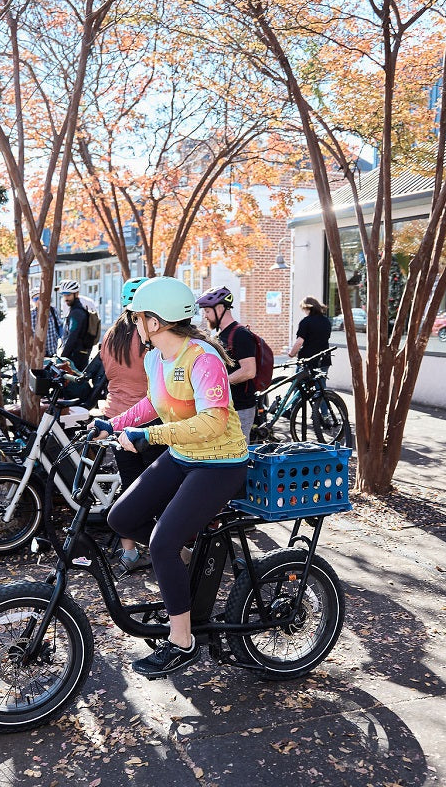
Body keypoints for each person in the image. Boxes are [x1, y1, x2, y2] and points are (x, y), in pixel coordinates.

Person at [92, 276, 249, 678]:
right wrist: (112, 425)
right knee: (121, 518)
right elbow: (152, 403)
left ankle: (182, 642)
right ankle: (185, 568)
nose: (133, 324)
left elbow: (213, 423)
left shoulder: (202, 358)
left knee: (162, 542)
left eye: (138, 317)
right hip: (183, 456)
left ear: (155, 322)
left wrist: (148, 437)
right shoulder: (154, 359)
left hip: (220, 463)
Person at [98, 277, 165, 571]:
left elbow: (107, 374)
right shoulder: (151, 338)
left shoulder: (110, 336)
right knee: (161, 488)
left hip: (117, 420)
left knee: (129, 489)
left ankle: (129, 553)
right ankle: (168, 545)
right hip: (149, 421)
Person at [195, 285, 258, 439]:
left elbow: (249, 371)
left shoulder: (241, 334)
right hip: (223, 406)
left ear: (221, 308)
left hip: (240, 407)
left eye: (208, 311)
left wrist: (218, 383)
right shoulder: (219, 335)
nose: (205, 316)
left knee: (240, 453)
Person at [287, 296, 332, 369]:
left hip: (307, 360)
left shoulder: (306, 322)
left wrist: (291, 354)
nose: (304, 311)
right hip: (324, 360)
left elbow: (299, 342)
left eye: (303, 309)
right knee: (320, 380)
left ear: (307, 308)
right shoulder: (326, 321)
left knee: (300, 380)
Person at [58, 279, 93, 370]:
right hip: (79, 354)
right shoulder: (76, 310)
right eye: (64, 295)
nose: (66, 298)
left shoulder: (77, 313)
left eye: (68, 295)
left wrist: (62, 357)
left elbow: (72, 337)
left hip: (76, 356)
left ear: (76, 294)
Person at [31, 292, 62, 357]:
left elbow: (60, 327)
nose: (39, 301)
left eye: (40, 298)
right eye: (36, 299)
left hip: (53, 350)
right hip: (38, 353)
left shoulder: (53, 310)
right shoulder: (31, 315)